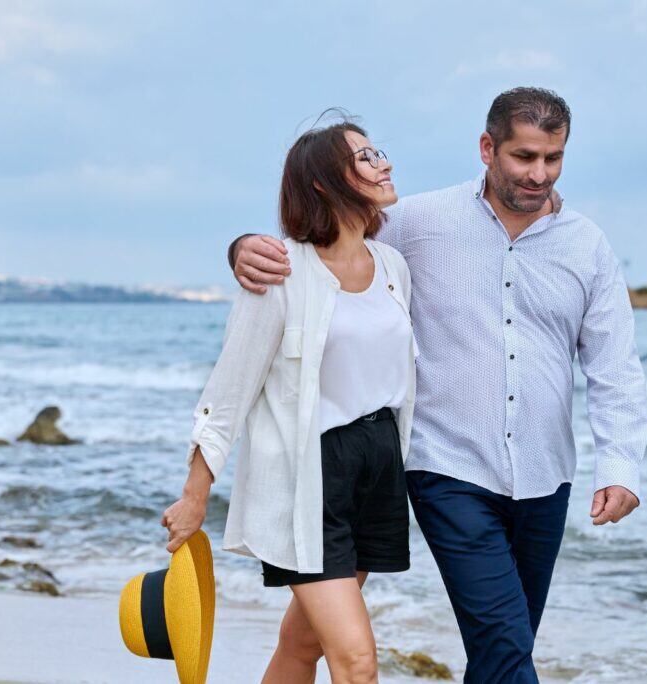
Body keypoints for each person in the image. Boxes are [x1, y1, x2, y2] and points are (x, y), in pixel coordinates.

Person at [229, 87, 647, 683]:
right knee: (505, 644)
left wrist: (620, 465)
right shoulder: (419, 223)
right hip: (446, 470)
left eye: (552, 159)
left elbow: (614, 367)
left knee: (504, 644)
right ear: (487, 148)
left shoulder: (588, 246)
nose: (539, 174)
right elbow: (325, 242)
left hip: (545, 476)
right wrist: (242, 249)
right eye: (523, 157)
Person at [161, 115, 418, 684]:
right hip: (310, 477)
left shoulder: (394, 266)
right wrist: (195, 496)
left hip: (378, 468)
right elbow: (228, 392)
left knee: (303, 647)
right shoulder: (281, 271)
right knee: (356, 661)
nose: (385, 164)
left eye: (380, 152)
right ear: (325, 182)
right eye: (366, 157)